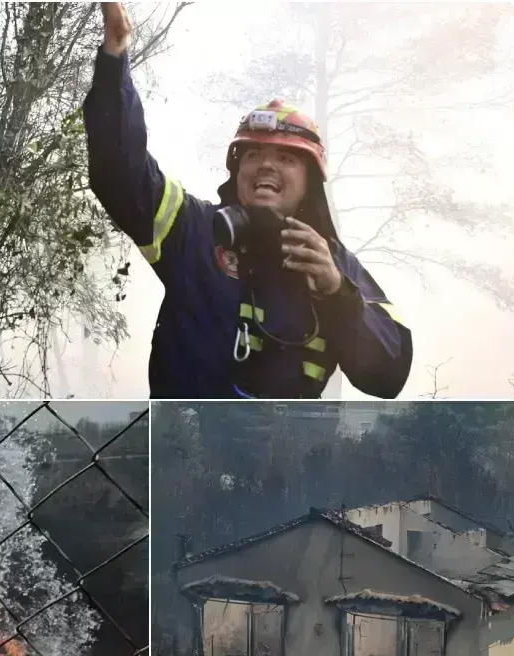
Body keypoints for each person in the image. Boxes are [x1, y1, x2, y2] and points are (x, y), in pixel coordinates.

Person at [84, 3, 412, 399]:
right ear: (236, 172)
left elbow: (388, 377)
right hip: (185, 452)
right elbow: (120, 173)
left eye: (286, 158)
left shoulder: (332, 264)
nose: (264, 166)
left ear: (310, 182)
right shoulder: (192, 231)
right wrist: (114, 58)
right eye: (252, 155)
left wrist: (336, 292)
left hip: (283, 459)